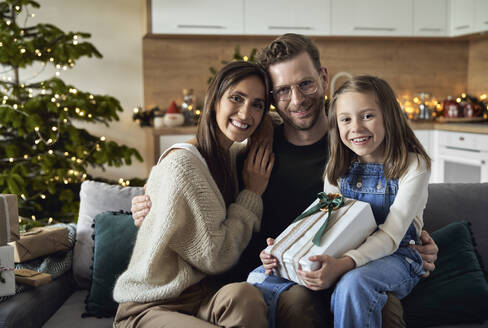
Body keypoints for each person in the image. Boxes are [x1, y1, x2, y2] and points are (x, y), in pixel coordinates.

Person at [131, 34, 439, 328]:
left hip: (352, 267)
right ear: (271, 98)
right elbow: (199, 156)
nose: (296, 100)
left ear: (323, 78)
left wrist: (412, 241)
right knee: (297, 302)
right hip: (281, 272)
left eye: (305, 83)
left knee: (380, 305)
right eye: (282, 90)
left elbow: (393, 203)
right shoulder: (252, 148)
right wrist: (151, 194)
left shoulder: (355, 145)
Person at [112, 60, 275, 328]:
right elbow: (216, 255)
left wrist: (266, 128)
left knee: (246, 298)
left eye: (257, 104)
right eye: (237, 98)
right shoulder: (182, 164)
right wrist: (251, 194)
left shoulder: (230, 156)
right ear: (214, 101)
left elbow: (276, 121)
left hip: (203, 297)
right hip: (152, 304)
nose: (246, 113)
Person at [262, 74, 431, 327]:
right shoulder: (338, 167)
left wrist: (343, 265)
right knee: (265, 276)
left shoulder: (413, 165)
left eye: (367, 116)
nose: (356, 128)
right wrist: (287, 249)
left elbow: (391, 236)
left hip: (399, 256)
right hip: (345, 252)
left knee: (354, 283)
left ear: (389, 116)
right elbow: (328, 223)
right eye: (346, 119)